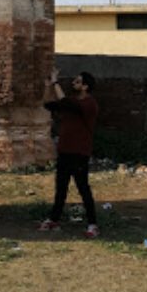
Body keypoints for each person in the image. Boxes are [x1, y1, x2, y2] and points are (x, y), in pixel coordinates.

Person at [40, 69, 100, 238]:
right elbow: (47, 104)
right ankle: (54, 219)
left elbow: (66, 102)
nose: (74, 83)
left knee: (83, 189)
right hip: (65, 151)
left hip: (79, 152)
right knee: (61, 188)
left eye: (78, 81)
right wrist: (47, 87)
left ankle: (93, 225)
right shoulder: (72, 101)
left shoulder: (89, 104)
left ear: (86, 87)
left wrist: (55, 83)